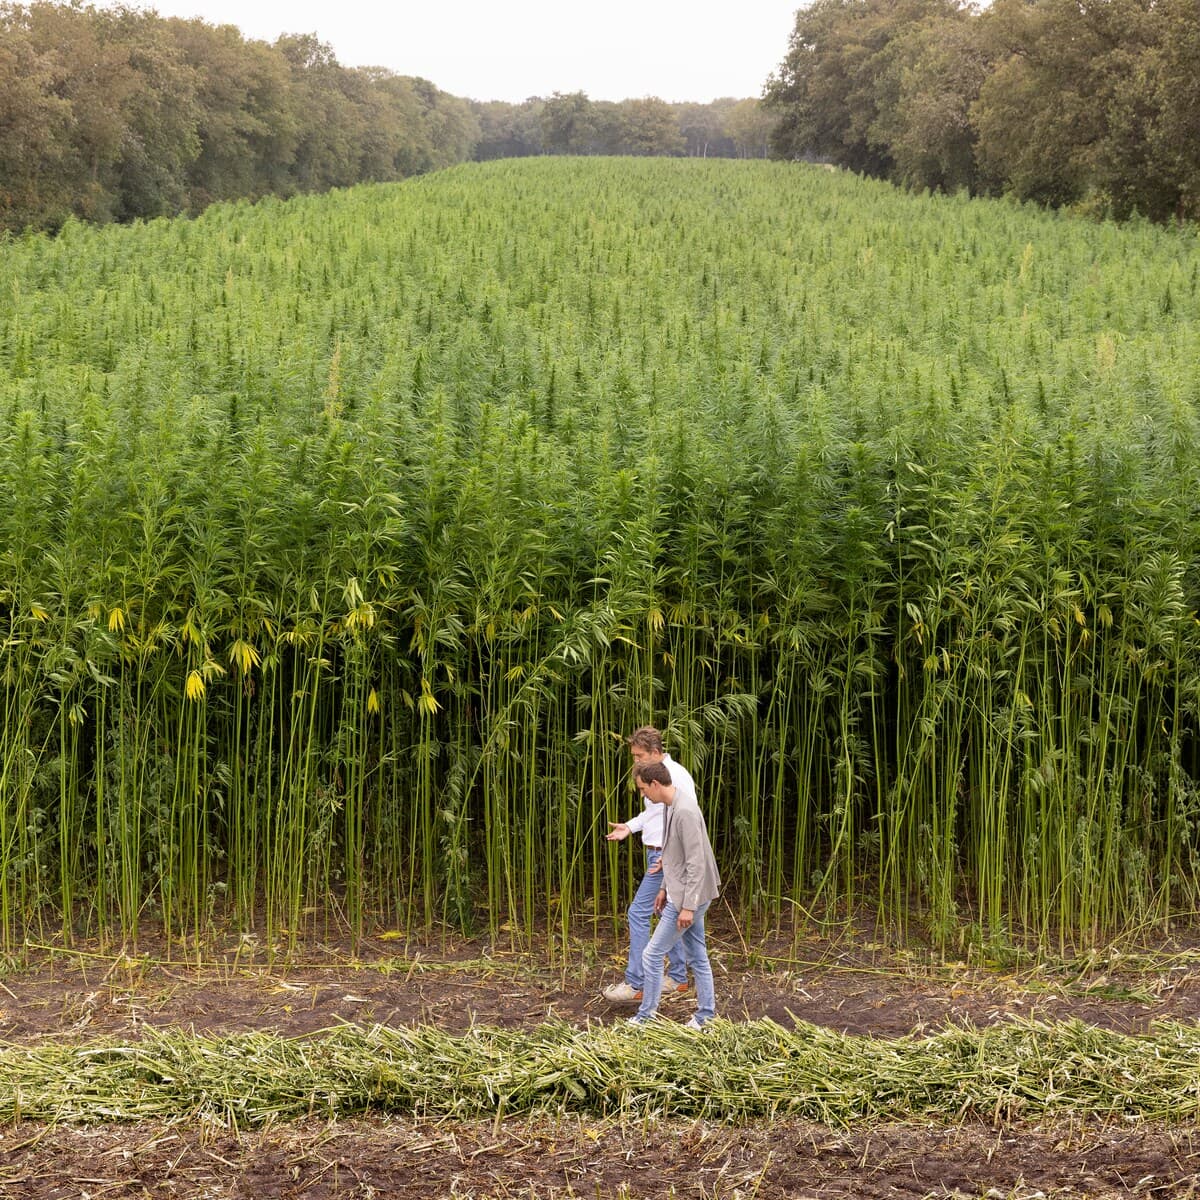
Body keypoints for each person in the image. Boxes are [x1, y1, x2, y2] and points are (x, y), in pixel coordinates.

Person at [602, 726, 698, 1004]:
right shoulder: (656, 775)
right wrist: (629, 828)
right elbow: (653, 813)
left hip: (665, 855)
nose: (636, 761)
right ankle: (678, 978)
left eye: (639, 755)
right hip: (658, 852)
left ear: (655, 753)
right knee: (666, 912)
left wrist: (668, 856)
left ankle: (637, 983)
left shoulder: (675, 775)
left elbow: (685, 818)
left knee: (638, 912)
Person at [626, 759, 720, 1029]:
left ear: (656, 784)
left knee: (652, 955)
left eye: (644, 789)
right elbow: (673, 854)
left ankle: (646, 1017)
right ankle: (706, 1016)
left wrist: (687, 907)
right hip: (682, 893)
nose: (644, 794)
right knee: (697, 954)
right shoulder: (670, 806)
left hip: (691, 897)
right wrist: (665, 887)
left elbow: (696, 862)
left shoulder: (686, 812)